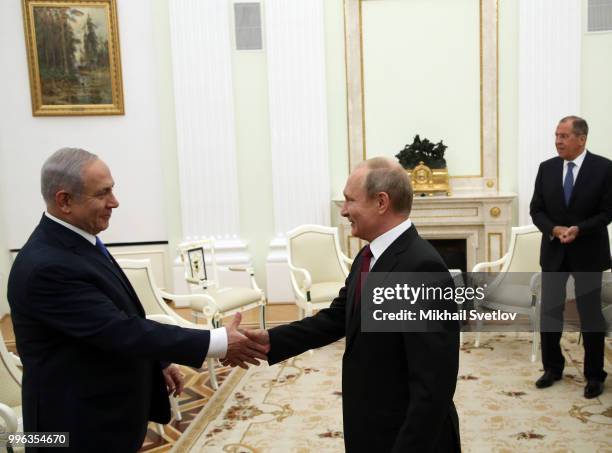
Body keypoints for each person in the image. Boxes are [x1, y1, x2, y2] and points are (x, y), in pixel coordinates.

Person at [7, 148, 269, 452]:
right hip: (74, 428)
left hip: (104, 417)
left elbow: (115, 312)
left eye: (112, 189)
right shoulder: (46, 266)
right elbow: (119, 330)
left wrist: (158, 361)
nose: (114, 202)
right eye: (103, 193)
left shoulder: (76, 241)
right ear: (65, 201)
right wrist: (218, 341)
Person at [229, 157, 461, 452]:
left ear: (381, 202)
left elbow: (433, 388)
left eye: (350, 201)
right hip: (372, 427)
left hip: (405, 437)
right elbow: (338, 318)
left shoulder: (421, 269)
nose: (343, 211)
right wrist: (271, 340)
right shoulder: (370, 257)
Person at [530, 116, 612, 399]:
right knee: (549, 312)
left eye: (564, 136)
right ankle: (552, 368)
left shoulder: (604, 168)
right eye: (556, 135)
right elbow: (536, 209)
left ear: (582, 138)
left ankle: (594, 375)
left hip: (588, 251)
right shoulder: (546, 168)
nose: (558, 141)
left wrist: (580, 229)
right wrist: (554, 229)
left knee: (589, 313)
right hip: (554, 250)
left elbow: (607, 213)